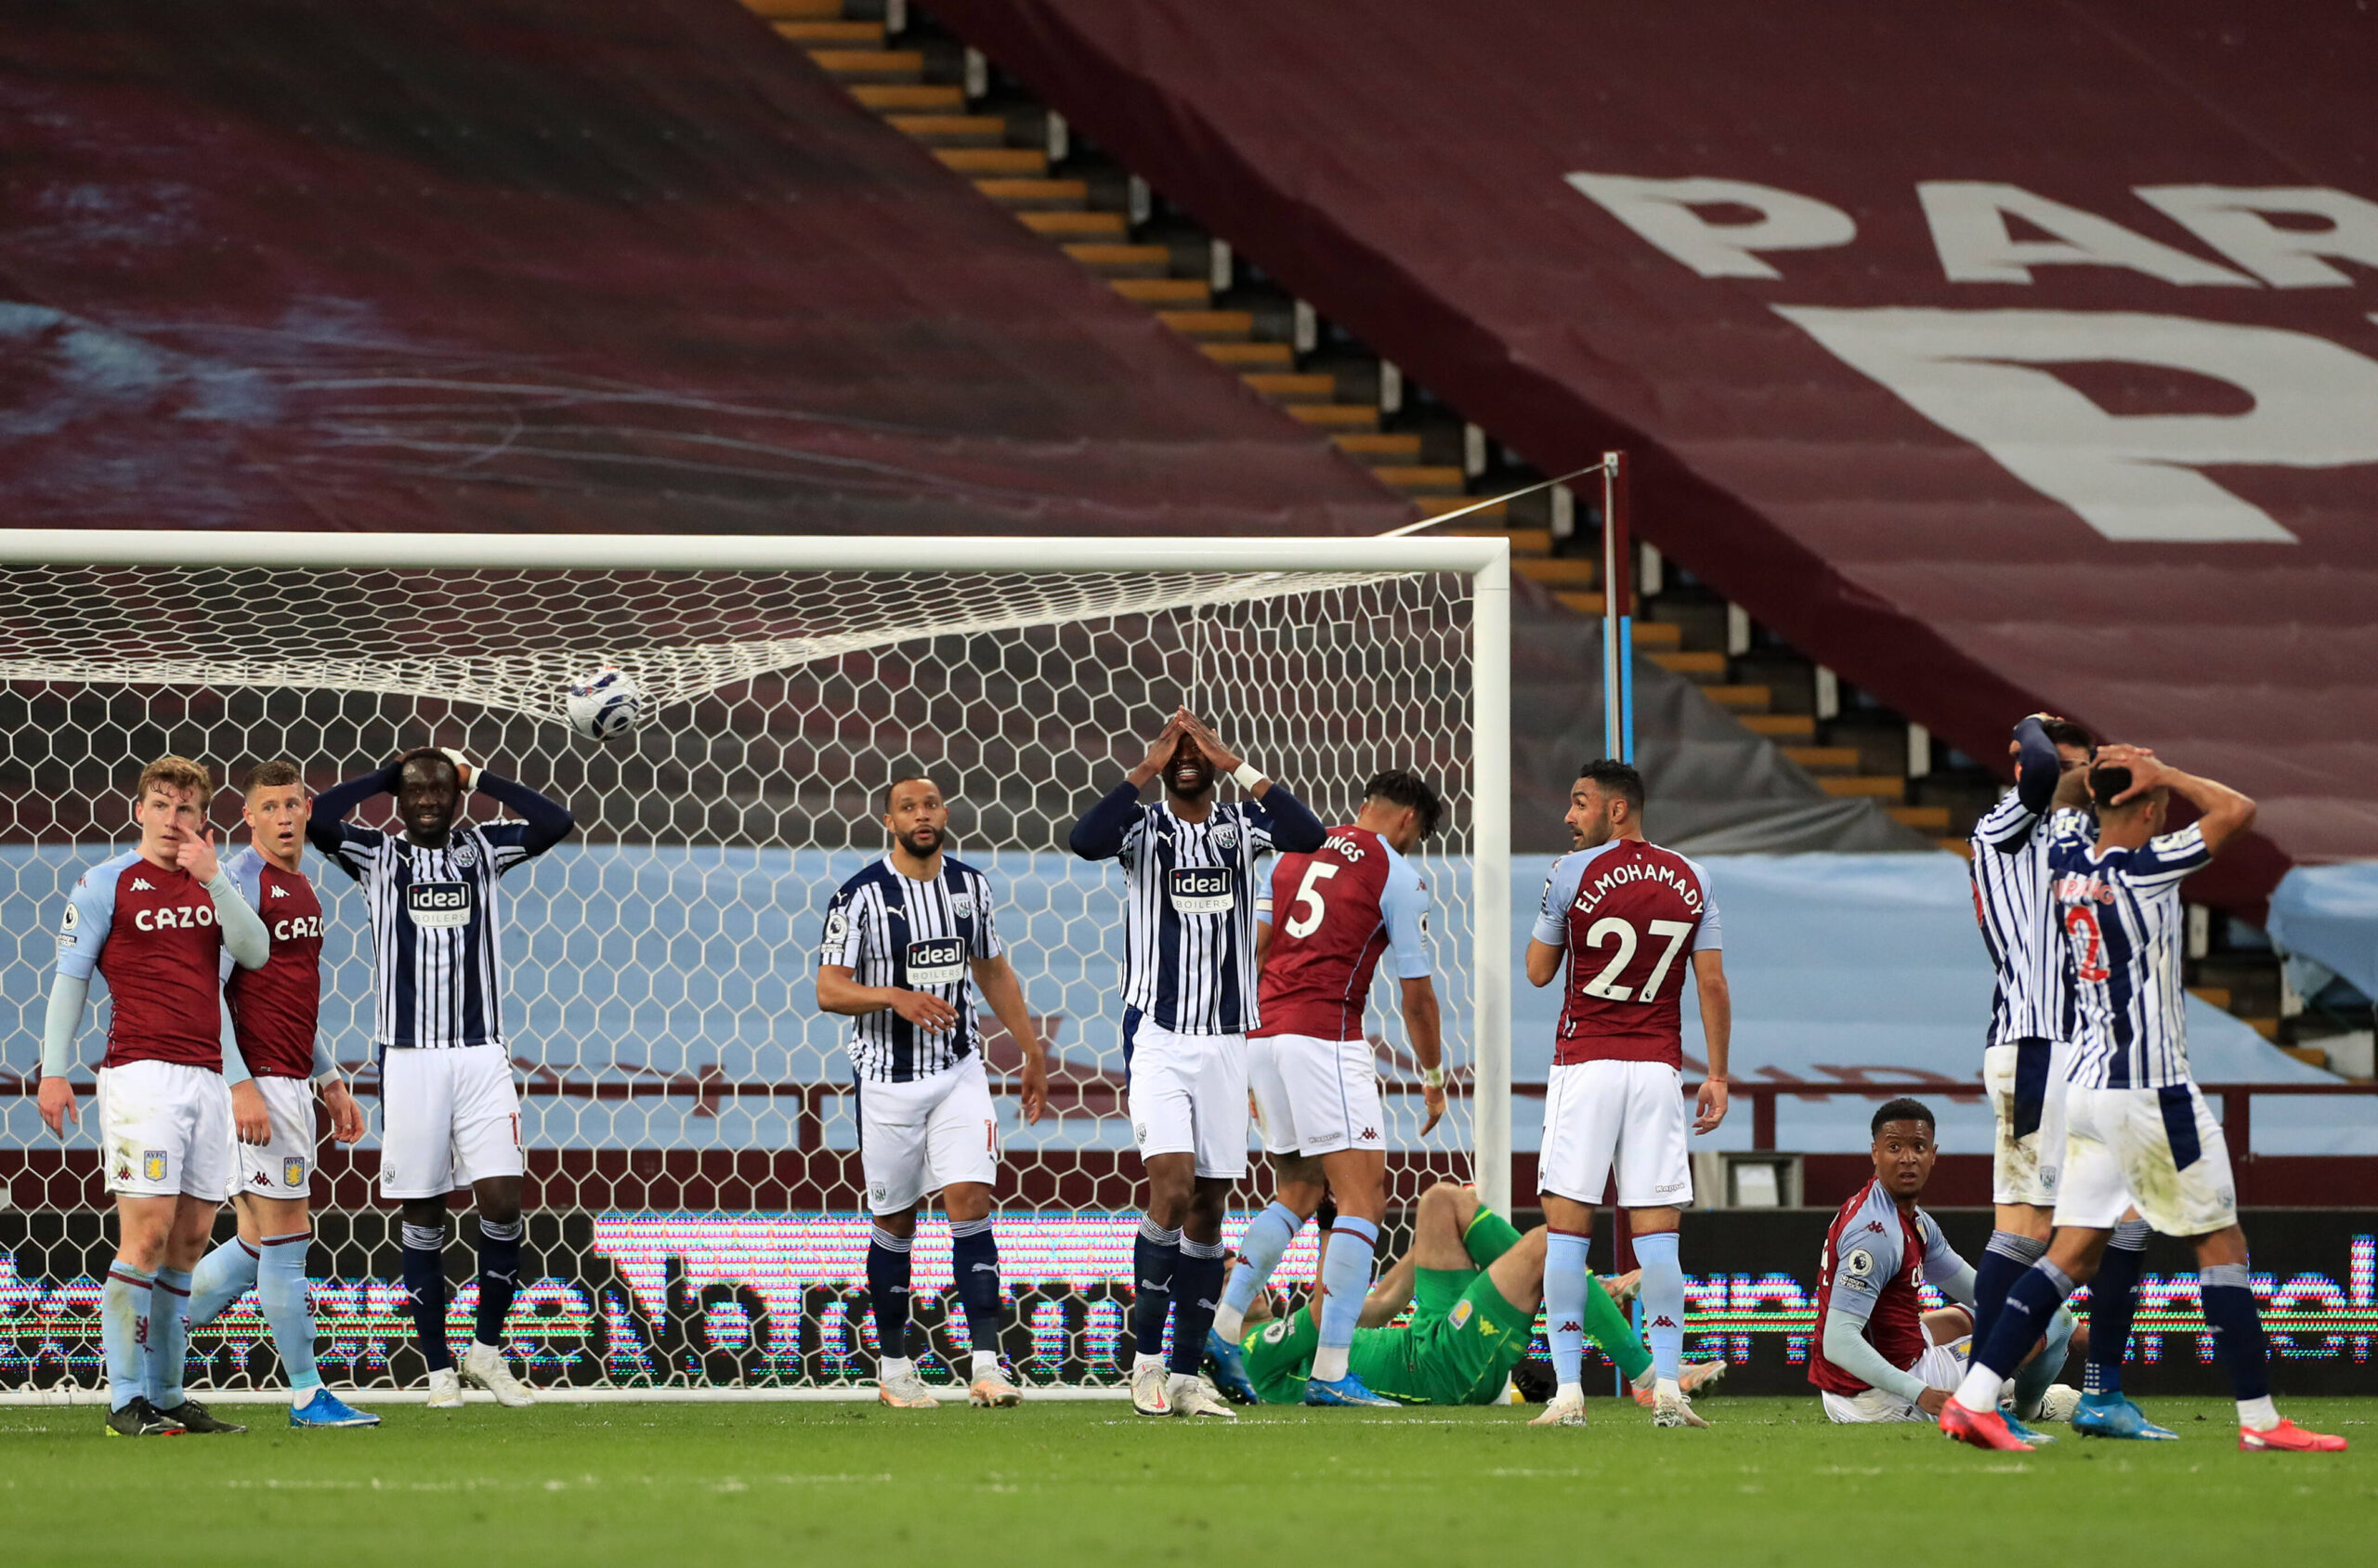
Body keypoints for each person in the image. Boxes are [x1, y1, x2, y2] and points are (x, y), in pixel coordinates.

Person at [1941, 747, 2346, 1454]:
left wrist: (2090, 778)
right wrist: (2167, 772)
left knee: (2070, 1254)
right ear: (2154, 810)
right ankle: (2259, 1420)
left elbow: (2066, 800)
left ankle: (1974, 1399)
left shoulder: (2068, 859)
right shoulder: (2148, 871)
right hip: (2152, 1091)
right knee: (2222, 1245)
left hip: (2091, 1087)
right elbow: (2238, 812)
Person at [1068, 709, 1326, 1418]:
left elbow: (1310, 835)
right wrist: (1147, 765)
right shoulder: (1143, 831)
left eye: (1195, 749)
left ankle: (1186, 1375)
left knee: (1212, 1207)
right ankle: (1144, 1363)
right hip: (1157, 1035)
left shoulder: (1243, 829)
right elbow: (1083, 839)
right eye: (1177, 749)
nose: (1186, 757)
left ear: (1212, 761)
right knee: (1173, 1188)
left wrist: (1234, 759)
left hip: (1224, 1040)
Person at [307, 746, 573, 1409]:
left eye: (440, 790)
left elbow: (555, 821)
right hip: (409, 1057)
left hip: (482, 1054)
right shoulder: (377, 856)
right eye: (414, 791)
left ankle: (486, 1352)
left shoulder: (483, 850)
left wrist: (478, 774)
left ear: (456, 796)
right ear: (399, 798)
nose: (428, 800)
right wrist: (379, 776)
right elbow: (317, 820)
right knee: (424, 1213)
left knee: (504, 1204)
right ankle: (437, 1369)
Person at [38, 755, 271, 1436]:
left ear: (204, 818)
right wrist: (54, 1070)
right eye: (163, 805)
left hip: (206, 1077)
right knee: (145, 1234)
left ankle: (168, 1395)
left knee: (191, 1240)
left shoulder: (214, 882)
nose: (175, 820)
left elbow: (253, 953)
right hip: (140, 1075)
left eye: (188, 808)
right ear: (141, 809)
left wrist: (215, 882)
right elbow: (70, 978)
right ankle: (123, 1402)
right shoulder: (105, 882)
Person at [1208, 769, 1451, 1406]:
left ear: (1364, 804)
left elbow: (1255, 949)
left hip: (1263, 1032)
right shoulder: (1397, 874)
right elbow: (1416, 994)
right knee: (1365, 1197)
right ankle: (1331, 1372)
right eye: (1417, 835)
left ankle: (1223, 1327)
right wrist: (1431, 1077)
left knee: (1299, 1187)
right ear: (1406, 822)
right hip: (1325, 1037)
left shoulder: (1294, 852)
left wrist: (1243, 1045)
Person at [817, 772, 1052, 1409]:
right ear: (888, 823)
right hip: (887, 1083)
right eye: (907, 807)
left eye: (931, 804)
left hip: (958, 1072)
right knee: (895, 1222)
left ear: (944, 815)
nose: (922, 814)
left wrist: (1030, 1049)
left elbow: (993, 969)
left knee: (970, 1203)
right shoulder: (858, 898)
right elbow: (829, 988)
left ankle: (985, 1365)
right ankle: (894, 1369)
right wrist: (893, 995)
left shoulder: (970, 888)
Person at [1968, 714, 2160, 1441]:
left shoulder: (2086, 846)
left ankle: (2104, 1394)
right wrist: (2035, 730)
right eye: (2073, 769)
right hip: (2034, 1049)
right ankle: (1983, 1404)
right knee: (2024, 1225)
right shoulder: (2006, 826)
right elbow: (2046, 767)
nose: (2088, 783)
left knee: (2128, 1218)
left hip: (2094, 1056)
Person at [1524, 761, 1730, 1429]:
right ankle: (1668, 1386)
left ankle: (1568, 1395)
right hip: (1657, 1073)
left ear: (1616, 810)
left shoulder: (1572, 873)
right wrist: (1719, 1074)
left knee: (1565, 1234)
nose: (1569, 817)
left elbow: (1537, 971)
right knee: (1659, 1240)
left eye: (1579, 803)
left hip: (1586, 1066)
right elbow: (1712, 986)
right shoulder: (1693, 879)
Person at [182, 761, 378, 1427]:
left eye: (293, 804)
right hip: (256, 1082)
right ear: (248, 817)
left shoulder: (304, 887)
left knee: (263, 1241)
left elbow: (293, 998)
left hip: (291, 1081)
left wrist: (328, 1080)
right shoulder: (239, 881)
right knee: (287, 1241)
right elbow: (209, 991)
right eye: (270, 807)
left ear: (308, 808)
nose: (286, 817)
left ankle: (151, 1337)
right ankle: (304, 1394)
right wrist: (241, 1085)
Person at [1235, 1181, 1716, 1410]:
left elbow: (1381, 1304)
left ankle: (1576, 1281)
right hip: (1436, 1369)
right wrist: (1331, 1215)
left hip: (1429, 1336)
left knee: (1440, 1202)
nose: (1241, 1272)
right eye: (1227, 1275)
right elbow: (1326, 1306)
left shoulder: (1295, 1337)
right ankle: (1647, 1374)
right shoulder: (1255, 1351)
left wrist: (1450, 1229)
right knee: (1548, 1242)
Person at [1813, 1098, 2076, 1425]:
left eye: (1918, 1147)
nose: (1907, 1158)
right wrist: (1920, 1392)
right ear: (1875, 1154)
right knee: (2055, 1320)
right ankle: (2027, 1410)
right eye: (1894, 1147)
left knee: (1973, 1317)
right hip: (1883, 1397)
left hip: (1848, 1386)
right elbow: (1837, 1341)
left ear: (1933, 1155)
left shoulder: (1910, 1220)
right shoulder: (1876, 1234)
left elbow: (1983, 1295)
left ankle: (1997, 1388)